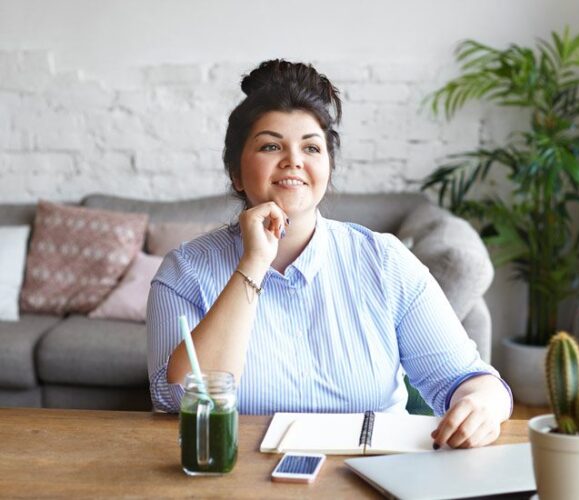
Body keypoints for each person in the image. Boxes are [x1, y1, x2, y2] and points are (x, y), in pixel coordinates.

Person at [147, 59, 513, 449]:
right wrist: (252, 265)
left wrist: (483, 406)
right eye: (271, 146)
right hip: (239, 477)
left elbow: (465, 378)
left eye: (311, 147)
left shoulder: (386, 261)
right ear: (236, 173)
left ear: (328, 167)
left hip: (373, 474)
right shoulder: (184, 271)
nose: (294, 160)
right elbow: (178, 399)